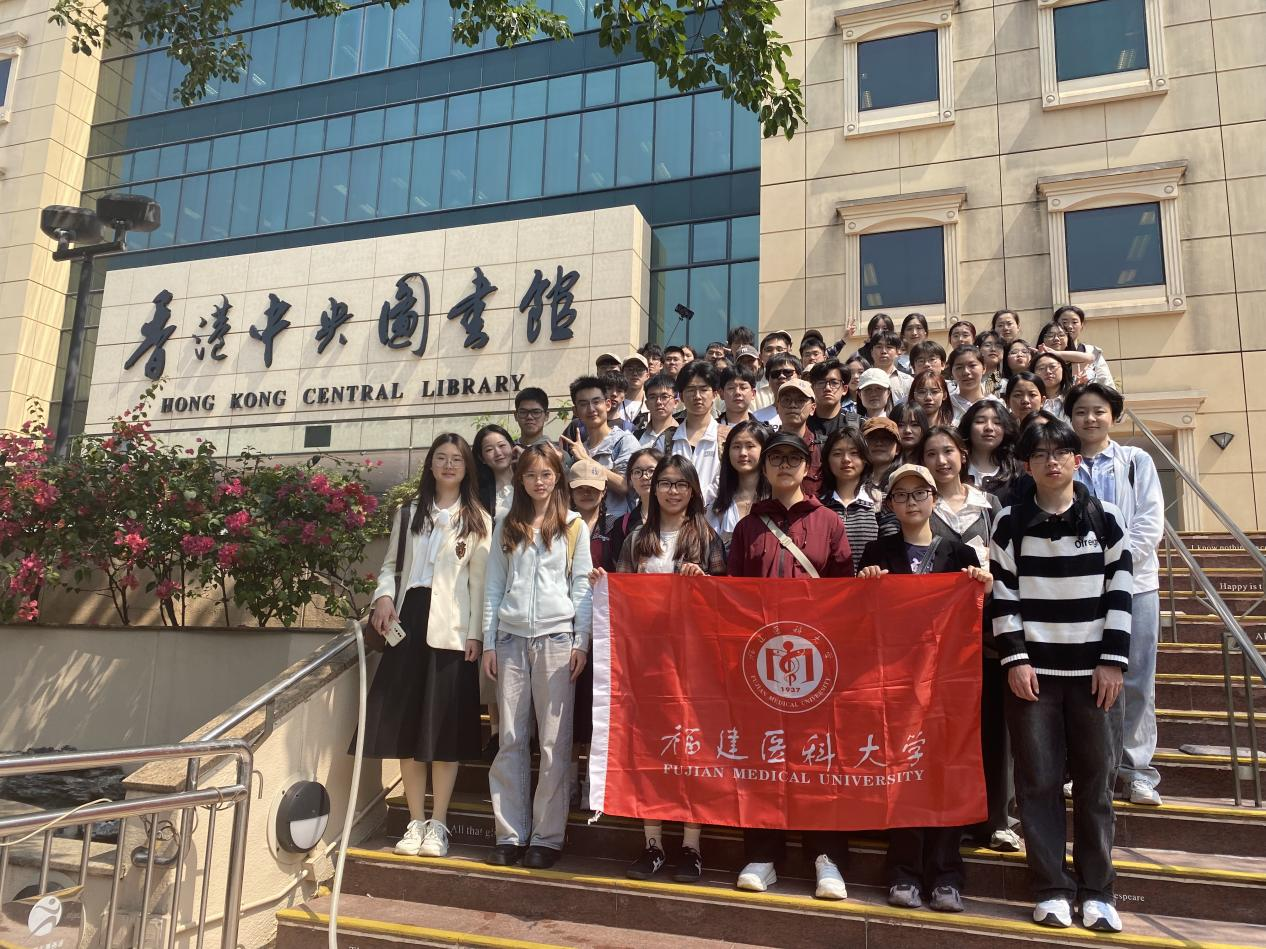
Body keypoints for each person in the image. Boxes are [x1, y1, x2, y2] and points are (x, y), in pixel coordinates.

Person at [990, 419, 1133, 933]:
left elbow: (1121, 591)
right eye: (1040, 454)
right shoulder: (1010, 522)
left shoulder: (1105, 517)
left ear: (1077, 459)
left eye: (1061, 452)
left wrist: (1113, 661)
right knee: (1038, 783)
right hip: (1035, 677)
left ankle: (1098, 891)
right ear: (1026, 466)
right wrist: (1016, 659)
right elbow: (1003, 594)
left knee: (1096, 784)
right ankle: (1051, 888)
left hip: (1095, 675)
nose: (1052, 461)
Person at [859, 464, 991, 912]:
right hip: (895, 685)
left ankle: (947, 875)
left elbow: (976, 618)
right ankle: (904, 872)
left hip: (948, 686)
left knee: (946, 773)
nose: (911, 502)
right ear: (890, 505)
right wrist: (866, 585)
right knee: (903, 774)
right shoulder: (877, 552)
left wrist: (982, 588)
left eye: (920, 494)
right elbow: (863, 618)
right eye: (901, 495)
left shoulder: (959, 554)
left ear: (934, 499)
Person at [728, 431, 853, 901]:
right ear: (764, 468)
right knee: (762, 756)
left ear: (807, 467)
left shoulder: (829, 522)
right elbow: (734, 595)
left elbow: (844, 593)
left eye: (793, 458)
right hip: (761, 664)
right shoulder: (748, 527)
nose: (784, 465)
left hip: (816, 662)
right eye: (776, 458)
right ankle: (763, 855)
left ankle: (827, 857)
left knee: (819, 757)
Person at [592, 455, 728, 883]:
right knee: (649, 750)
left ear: (693, 490)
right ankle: (652, 845)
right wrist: (604, 587)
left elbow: (727, 602)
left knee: (692, 750)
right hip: (646, 663)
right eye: (665, 483)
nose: (672, 491)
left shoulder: (707, 538)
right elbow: (622, 596)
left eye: (680, 484)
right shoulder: (636, 538)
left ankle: (691, 847)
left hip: (694, 664)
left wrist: (703, 582)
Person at [365, 434, 491, 859]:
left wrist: (476, 634)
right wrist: (384, 596)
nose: (449, 465)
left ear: (467, 468)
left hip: (451, 631)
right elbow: (390, 566)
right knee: (408, 728)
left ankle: (439, 824)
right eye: (441, 458)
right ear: (431, 465)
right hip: (408, 620)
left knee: (443, 731)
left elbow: (480, 585)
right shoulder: (409, 513)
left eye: (457, 459)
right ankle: (414, 821)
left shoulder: (478, 519)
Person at [483, 445, 593, 869]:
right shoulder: (505, 524)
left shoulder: (573, 526)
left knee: (553, 742)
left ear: (557, 478)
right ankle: (509, 834)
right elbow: (494, 587)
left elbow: (582, 588)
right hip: (510, 639)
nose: (539, 481)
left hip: (557, 640)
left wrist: (581, 641)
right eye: (531, 475)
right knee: (510, 738)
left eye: (546, 474)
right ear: (521, 480)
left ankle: (547, 837)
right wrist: (489, 642)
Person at [1066, 383, 1165, 806]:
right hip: (1079, 590)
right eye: (1081, 411)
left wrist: (1116, 565)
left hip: (1137, 585)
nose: (1090, 418)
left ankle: (1137, 770)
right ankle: (1086, 768)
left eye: (1099, 411)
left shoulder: (1136, 461)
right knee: (1082, 679)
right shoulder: (1064, 463)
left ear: (1114, 415)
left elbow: (1150, 521)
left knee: (1136, 677)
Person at [922, 425, 1019, 854]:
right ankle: (957, 815)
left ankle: (999, 819)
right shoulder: (921, 504)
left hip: (987, 629)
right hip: (937, 636)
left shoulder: (989, 504)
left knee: (995, 726)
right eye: (931, 454)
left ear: (963, 455)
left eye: (948, 451)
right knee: (948, 730)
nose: (941, 460)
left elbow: (1006, 560)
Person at [820, 427, 898, 572]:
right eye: (837, 453)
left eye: (854, 453)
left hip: (870, 583)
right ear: (827, 460)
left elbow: (892, 552)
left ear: (865, 459)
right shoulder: (817, 505)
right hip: (829, 585)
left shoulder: (882, 502)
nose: (846, 459)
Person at [562, 376, 641, 516]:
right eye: (583, 404)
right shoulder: (580, 448)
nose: (591, 409)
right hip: (585, 524)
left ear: (608, 404)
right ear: (575, 411)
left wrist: (586, 460)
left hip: (617, 525)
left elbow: (625, 486)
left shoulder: (624, 441)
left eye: (596, 402)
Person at [669, 360, 723, 507]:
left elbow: (727, 479)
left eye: (704, 389)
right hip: (675, 514)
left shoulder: (726, 437)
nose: (697, 396)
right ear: (681, 396)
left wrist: (697, 501)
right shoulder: (668, 439)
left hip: (715, 517)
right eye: (691, 390)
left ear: (715, 394)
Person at [709, 420, 769, 544]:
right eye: (736, 447)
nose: (742, 453)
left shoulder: (775, 500)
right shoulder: (717, 507)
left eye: (750, 446)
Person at [606, 446, 664, 570]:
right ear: (631, 479)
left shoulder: (677, 518)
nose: (644, 477)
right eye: (637, 472)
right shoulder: (622, 525)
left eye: (651, 471)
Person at [772, 377, 824, 496]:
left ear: (813, 408)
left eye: (800, 400)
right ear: (777, 408)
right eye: (786, 400)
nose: (793, 405)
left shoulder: (823, 448)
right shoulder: (766, 446)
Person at [958, 400, 1021, 497]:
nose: (989, 428)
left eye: (997, 422)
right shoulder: (954, 467)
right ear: (968, 427)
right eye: (980, 421)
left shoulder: (1017, 470)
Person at [1056, 305, 1115, 387]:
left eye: (1074, 322)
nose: (1069, 326)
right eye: (1064, 322)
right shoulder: (1047, 354)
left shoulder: (1092, 351)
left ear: (1082, 326)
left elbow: (1106, 383)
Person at [475, 424, 516, 521]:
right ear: (482, 458)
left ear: (512, 446)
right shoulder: (479, 494)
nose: (498, 453)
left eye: (502, 445)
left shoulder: (529, 480)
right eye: (489, 449)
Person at [808, 358, 857, 438]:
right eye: (821, 383)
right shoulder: (802, 423)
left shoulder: (857, 424)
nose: (827, 388)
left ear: (845, 389)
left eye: (834, 383)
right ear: (812, 388)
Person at [753, 353, 802, 426]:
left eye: (787, 372)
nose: (781, 376)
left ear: (799, 377)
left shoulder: (808, 413)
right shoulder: (756, 418)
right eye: (775, 373)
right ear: (768, 381)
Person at [949, 345, 996, 416]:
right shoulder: (945, 406)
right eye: (959, 367)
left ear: (984, 368)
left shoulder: (995, 405)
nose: (966, 372)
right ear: (951, 372)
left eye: (972, 365)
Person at [635, 372, 679, 447]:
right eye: (652, 397)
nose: (658, 402)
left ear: (676, 402)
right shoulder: (636, 437)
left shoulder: (683, 435)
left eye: (664, 397)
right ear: (647, 404)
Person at [861, 416, 902, 495]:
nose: (879, 443)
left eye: (886, 438)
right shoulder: (851, 480)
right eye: (872, 438)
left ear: (897, 449)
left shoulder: (905, 478)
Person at [868, 331, 911, 402]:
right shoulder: (863, 379)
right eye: (879, 347)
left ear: (898, 352)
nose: (884, 351)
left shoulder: (908, 381)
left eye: (889, 347)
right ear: (871, 352)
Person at [1031, 352, 1071, 418]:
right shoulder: (1030, 401)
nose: (1048, 371)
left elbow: (1088, 358)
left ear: (1063, 369)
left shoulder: (1073, 397)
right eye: (1041, 368)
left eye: (1053, 367)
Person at [513, 388, 553, 456]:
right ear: (515, 416)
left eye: (536, 412)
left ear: (546, 415)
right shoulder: (507, 452)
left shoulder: (557, 454)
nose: (529, 417)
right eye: (523, 412)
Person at [619, 353, 651, 429]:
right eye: (630, 369)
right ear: (622, 374)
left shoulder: (652, 405)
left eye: (640, 370)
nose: (635, 373)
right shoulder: (614, 403)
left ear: (647, 375)